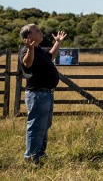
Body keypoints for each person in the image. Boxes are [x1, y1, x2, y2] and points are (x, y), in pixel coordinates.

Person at [19, 24, 67, 163]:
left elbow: (51, 56)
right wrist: (30, 48)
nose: (41, 32)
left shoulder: (38, 50)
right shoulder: (26, 51)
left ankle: (39, 152)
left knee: (44, 126)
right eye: (37, 31)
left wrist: (57, 42)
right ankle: (31, 157)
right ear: (29, 37)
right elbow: (27, 64)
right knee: (36, 126)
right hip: (37, 94)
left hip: (46, 94)